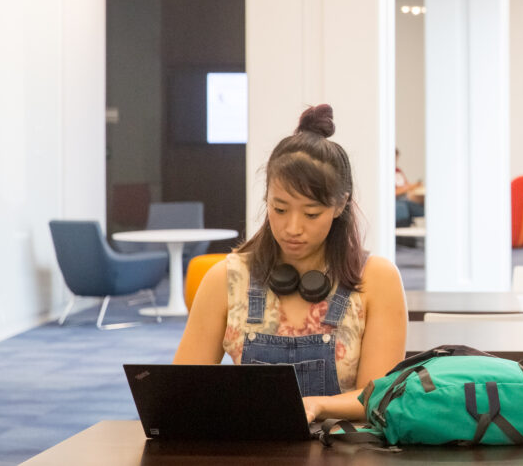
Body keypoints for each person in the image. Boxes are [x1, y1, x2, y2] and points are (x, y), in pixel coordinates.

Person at [174, 104, 408, 424]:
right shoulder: (226, 279)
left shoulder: (377, 279)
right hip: (254, 448)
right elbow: (182, 391)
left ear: (340, 205)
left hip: (343, 450)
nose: (292, 228)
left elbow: (378, 394)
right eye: (280, 209)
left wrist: (317, 406)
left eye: (311, 214)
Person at [394, 149, 425, 228]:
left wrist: (414, 187)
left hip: (406, 198)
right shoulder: (385, 172)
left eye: (396, 159)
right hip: (398, 201)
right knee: (402, 208)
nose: (396, 161)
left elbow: (407, 186)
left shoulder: (398, 171)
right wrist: (410, 187)